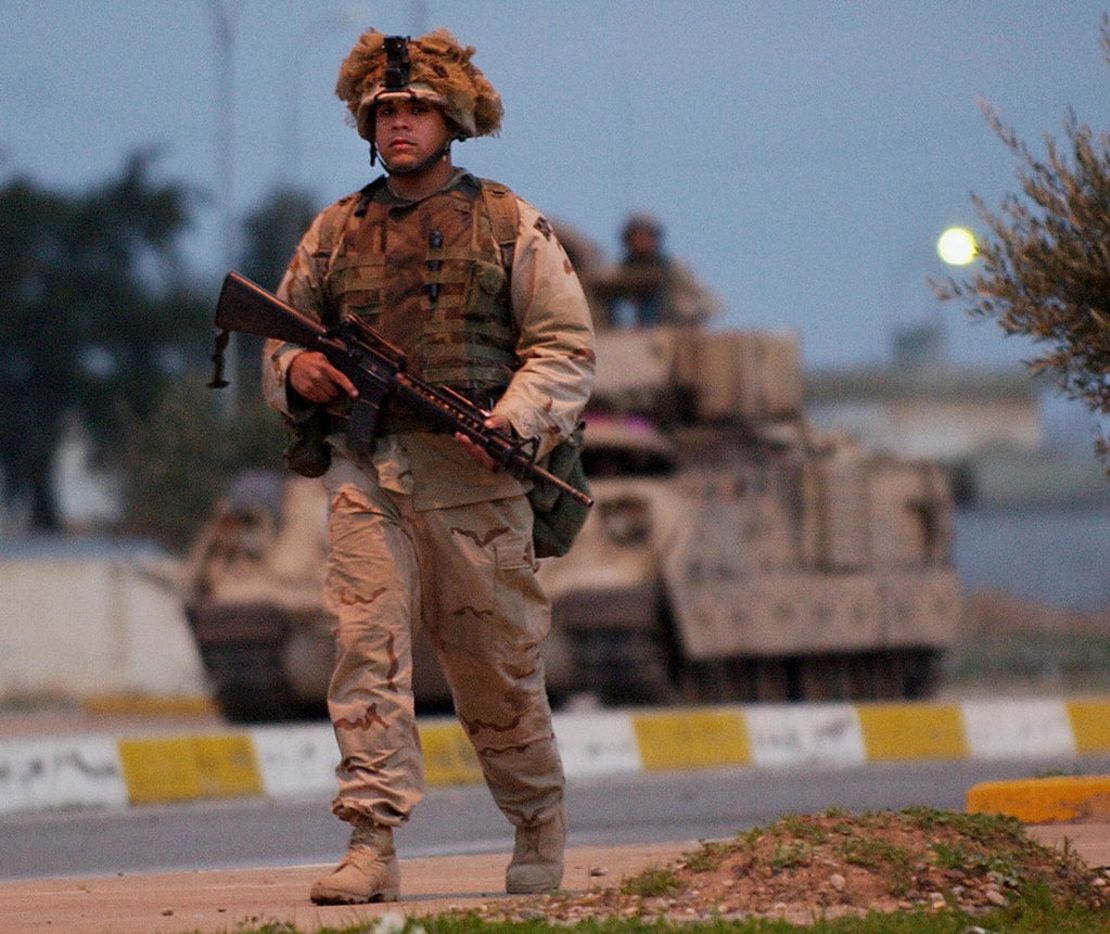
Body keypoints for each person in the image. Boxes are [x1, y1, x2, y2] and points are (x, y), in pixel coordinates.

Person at [260, 28, 595, 905]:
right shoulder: (335, 232)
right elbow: (278, 335)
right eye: (385, 111)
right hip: (369, 473)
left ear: (453, 120)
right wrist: (297, 372)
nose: (399, 124)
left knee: (495, 670)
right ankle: (371, 840)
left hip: (477, 483)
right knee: (364, 653)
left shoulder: (509, 224)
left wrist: (512, 422)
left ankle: (535, 821)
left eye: (416, 109)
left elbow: (563, 347)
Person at [592, 213, 723, 328]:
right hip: (631, 334)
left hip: (671, 328)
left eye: (646, 236)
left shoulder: (675, 269)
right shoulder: (617, 271)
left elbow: (712, 303)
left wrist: (689, 315)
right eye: (635, 237)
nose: (640, 242)